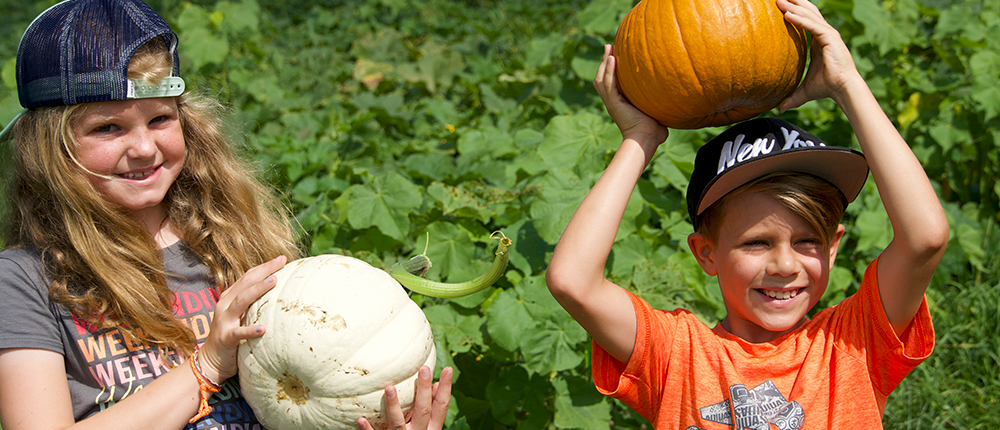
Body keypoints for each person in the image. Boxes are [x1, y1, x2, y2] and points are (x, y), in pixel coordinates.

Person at [0, 1, 452, 429]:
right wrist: (207, 364)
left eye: (160, 119)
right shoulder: (23, 281)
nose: (143, 148)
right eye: (107, 127)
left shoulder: (236, 242)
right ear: (49, 147)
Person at [544, 0, 948, 428]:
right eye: (757, 242)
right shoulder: (676, 354)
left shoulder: (851, 342)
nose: (785, 264)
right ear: (706, 253)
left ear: (833, 247)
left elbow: (925, 238)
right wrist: (639, 140)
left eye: (807, 240)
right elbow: (573, 281)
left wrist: (846, 83)